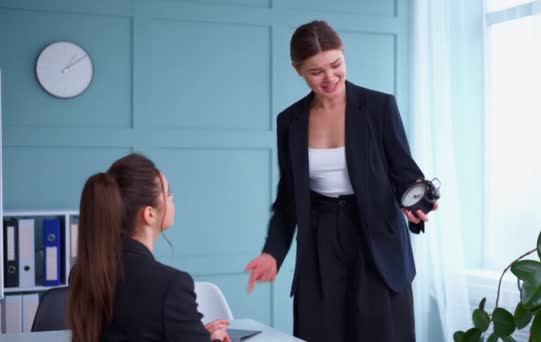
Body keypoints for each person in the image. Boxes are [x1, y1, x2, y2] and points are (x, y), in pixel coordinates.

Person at [244, 20, 438, 341]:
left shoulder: (379, 107)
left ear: (343, 54)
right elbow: (289, 197)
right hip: (321, 241)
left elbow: (404, 172)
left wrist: (416, 199)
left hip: (376, 237)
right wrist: (272, 252)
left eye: (335, 65)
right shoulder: (289, 121)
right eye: (316, 71)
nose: (330, 77)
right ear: (298, 71)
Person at [68, 153, 231, 342]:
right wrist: (216, 338)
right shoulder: (171, 286)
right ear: (149, 214)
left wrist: (193, 331)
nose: (173, 198)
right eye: (168, 193)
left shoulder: (82, 274)